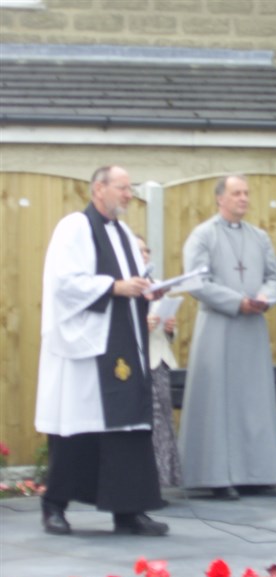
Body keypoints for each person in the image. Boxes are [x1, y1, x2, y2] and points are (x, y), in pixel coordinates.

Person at [35, 165, 169, 536]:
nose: (129, 195)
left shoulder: (125, 233)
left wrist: (148, 289)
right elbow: (64, 283)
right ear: (99, 189)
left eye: (130, 188)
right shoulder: (74, 227)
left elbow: (131, 282)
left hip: (124, 340)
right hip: (89, 348)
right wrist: (114, 287)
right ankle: (55, 506)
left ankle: (129, 510)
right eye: (123, 188)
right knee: (77, 429)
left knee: (127, 428)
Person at [178, 174, 276, 500]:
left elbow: (275, 278)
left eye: (246, 193)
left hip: (252, 328)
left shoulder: (259, 237)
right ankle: (217, 476)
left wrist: (265, 298)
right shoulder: (202, 236)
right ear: (219, 199)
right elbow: (196, 283)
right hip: (218, 328)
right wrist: (236, 302)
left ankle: (256, 473)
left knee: (253, 402)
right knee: (218, 403)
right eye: (236, 193)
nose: (243, 198)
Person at [136, 235, 182, 496]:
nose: (144, 255)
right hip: (139, 363)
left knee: (164, 422)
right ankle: (147, 483)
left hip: (160, 361)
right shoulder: (129, 289)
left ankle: (163, 480)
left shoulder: (158, 286)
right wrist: (142, 327)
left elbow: (167, 333)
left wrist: (169, 328)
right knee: (149, 422)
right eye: (139, 251)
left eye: (147, 250)